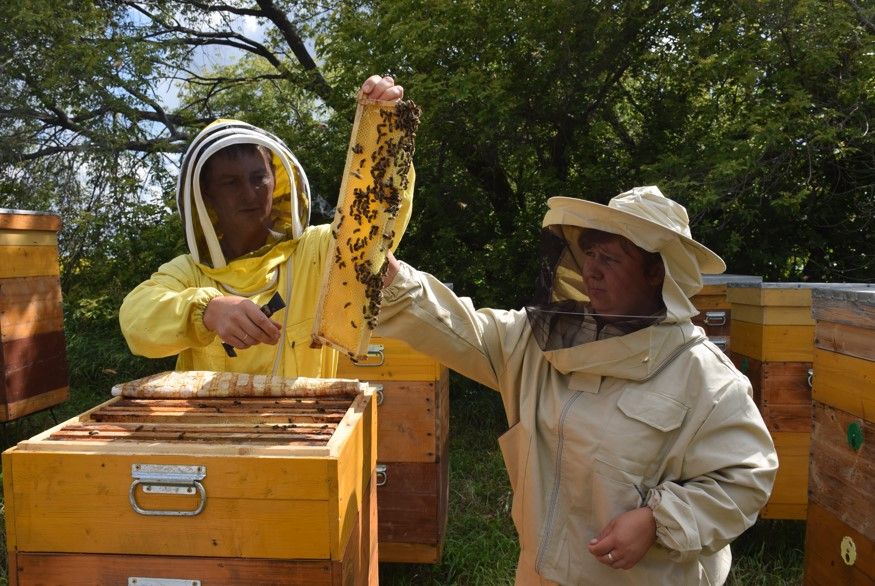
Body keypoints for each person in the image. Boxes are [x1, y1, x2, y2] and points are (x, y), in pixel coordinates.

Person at [376, 186, 778, 585]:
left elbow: (744, 479)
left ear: (656, 273)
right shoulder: (543, 341)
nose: (591, 270)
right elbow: (462, 328)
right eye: (590, 254)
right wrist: (392, 280)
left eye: (611, 259)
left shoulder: (705, 377)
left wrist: (657, 521)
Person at [120, 75, 407, 377]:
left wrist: (382, 133)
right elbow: (136, 319)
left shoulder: (318, 252)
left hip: (306, 422)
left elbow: (373, 223)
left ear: (276, 180)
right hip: (216, 425)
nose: (249, 193)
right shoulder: (190, 273)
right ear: (207, 195)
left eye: (258, 178)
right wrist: (207, 311)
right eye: (230, 183)